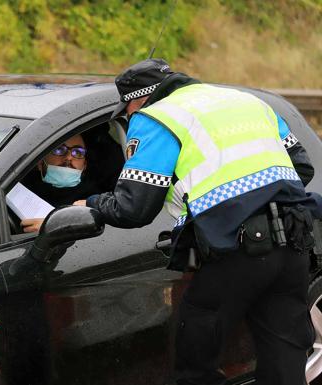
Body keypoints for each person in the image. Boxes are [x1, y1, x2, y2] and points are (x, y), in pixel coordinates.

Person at [75, 58, 320, 385]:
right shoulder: (248, 101)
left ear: (137, 100)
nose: (129, 116)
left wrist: (89, 202)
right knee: (285, 358)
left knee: (195, 356)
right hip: (293, 244)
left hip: (237, 250)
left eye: (127, 110)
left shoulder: (157, 118)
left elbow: (133, 208)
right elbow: (302, 169)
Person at [20, 130, 123, 233]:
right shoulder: (17, 192)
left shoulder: (99, 201)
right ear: (40, 162)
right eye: (59, 149)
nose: (69, 157)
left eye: (78, 152)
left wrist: (54, 226)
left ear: (84, 165)